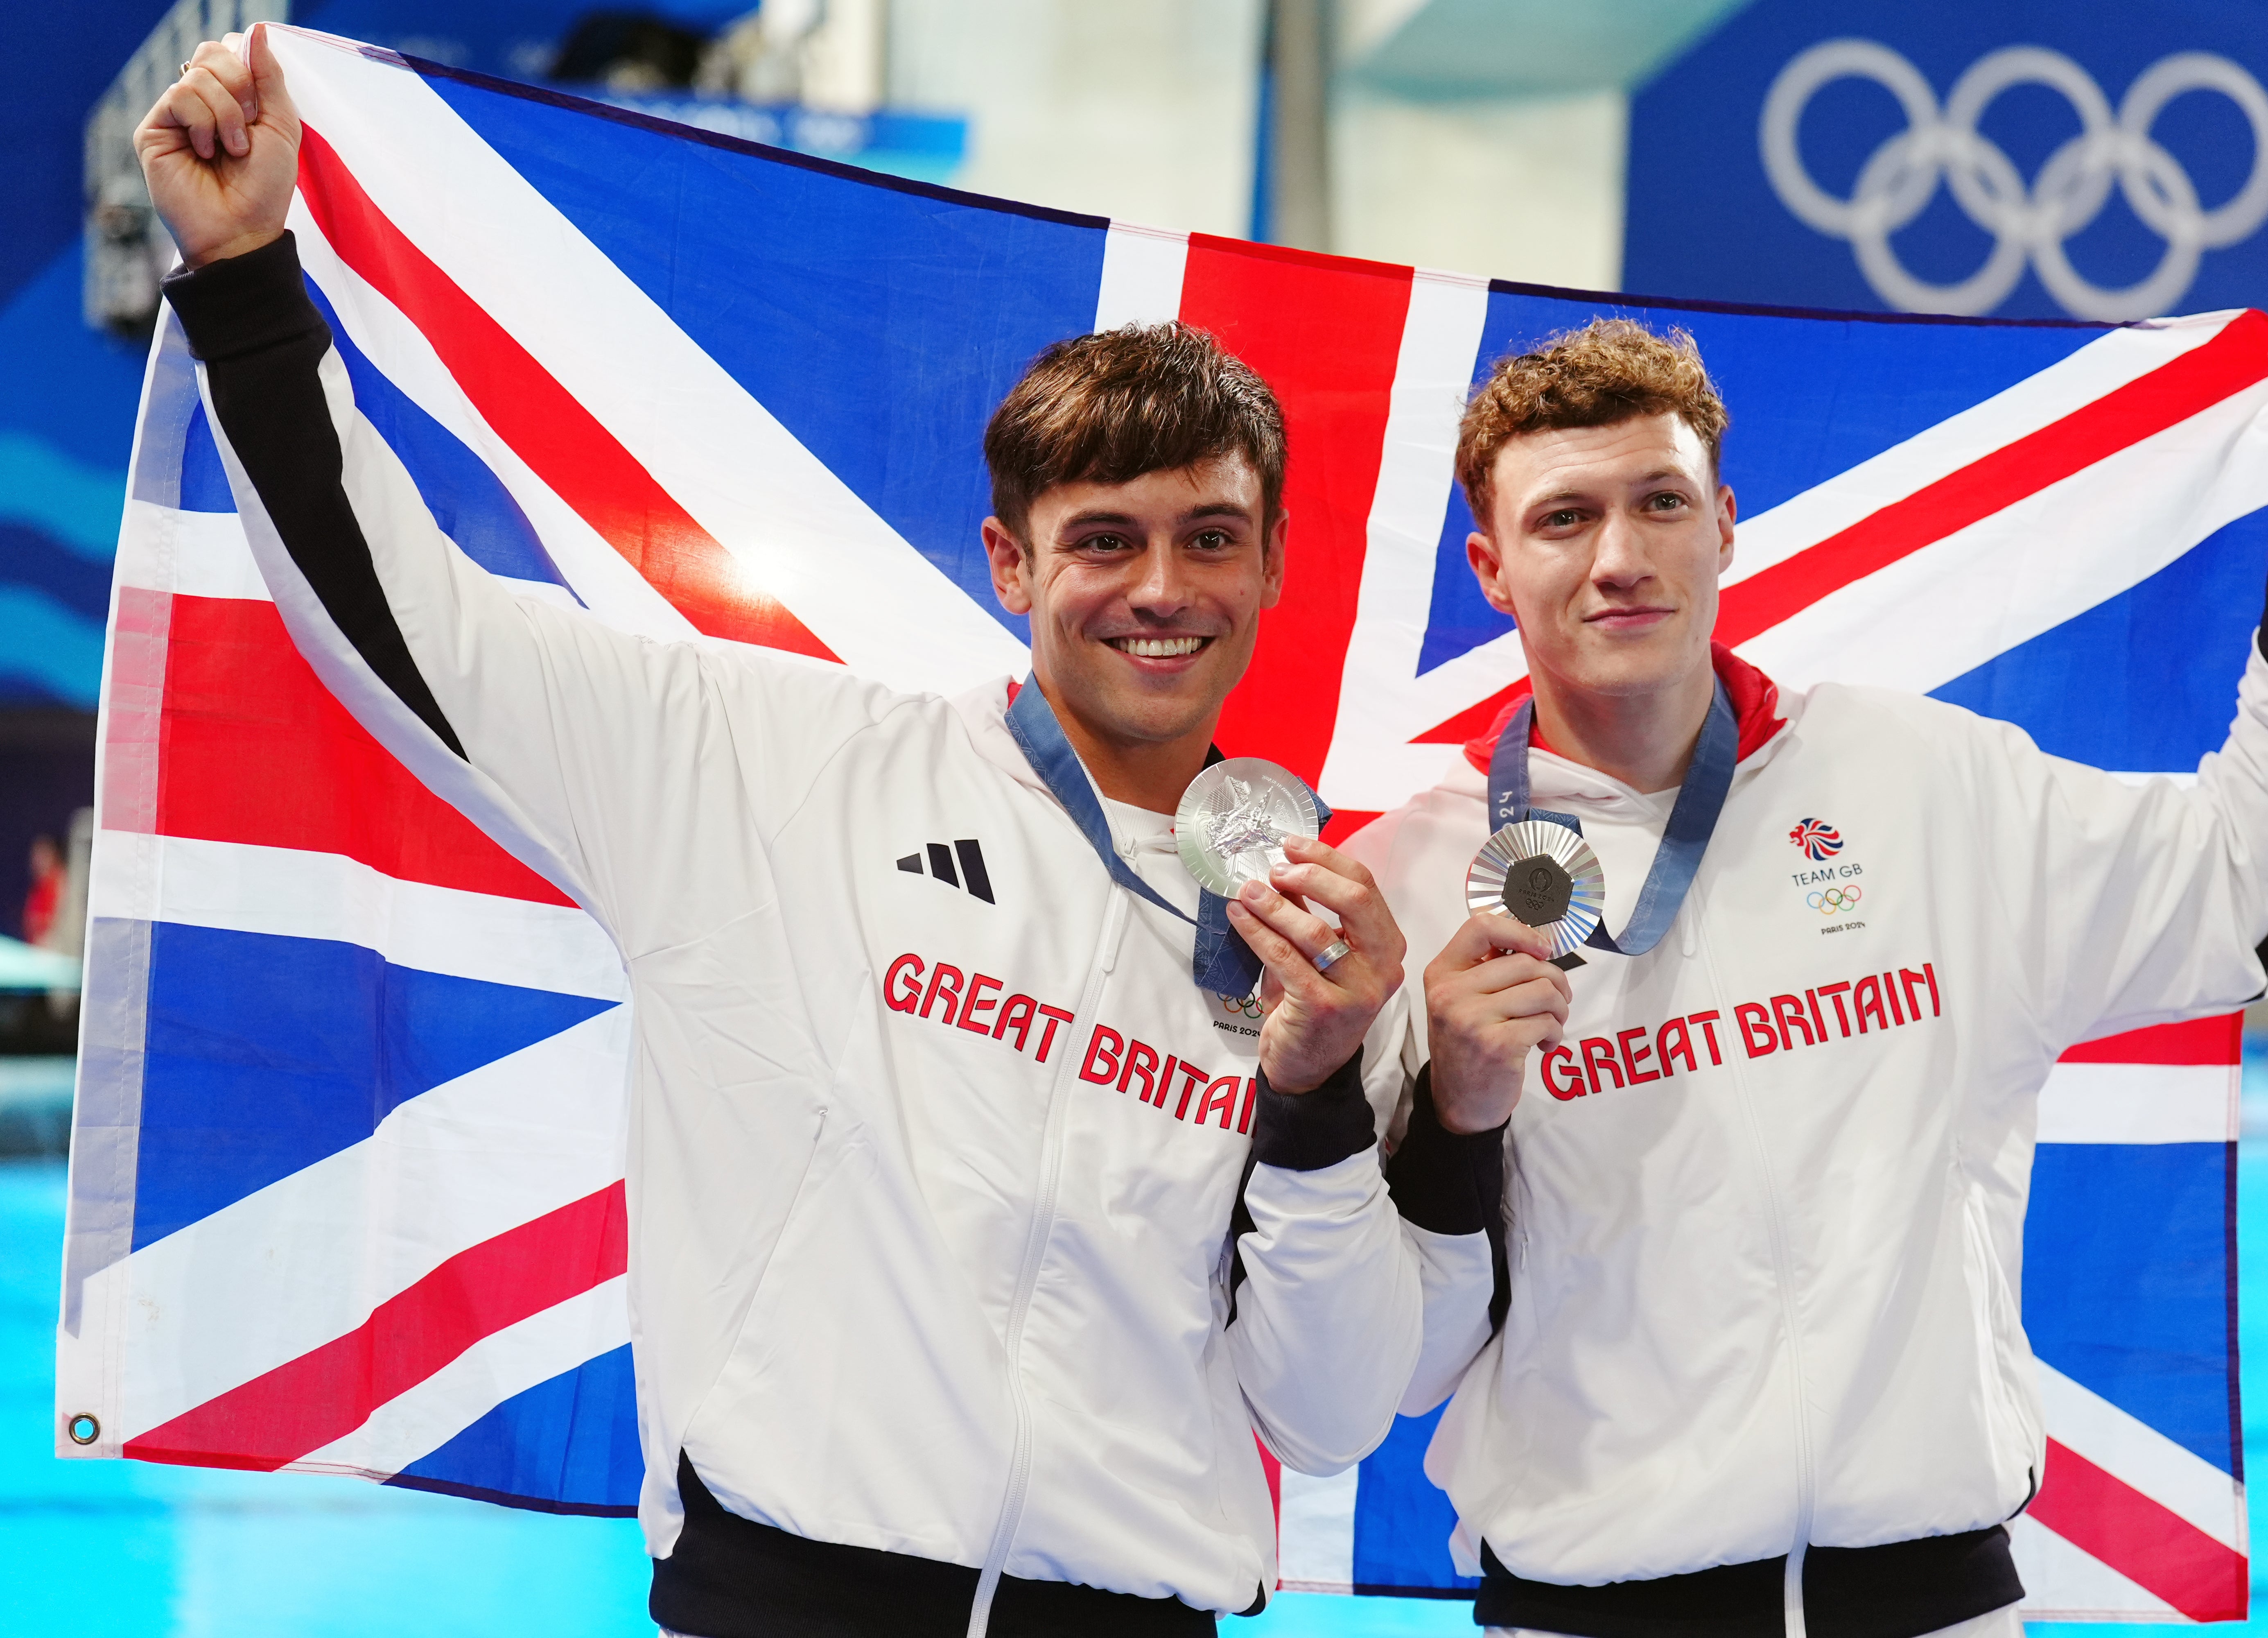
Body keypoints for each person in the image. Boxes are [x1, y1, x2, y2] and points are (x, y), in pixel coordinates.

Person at [138, 29, 1479, 1637]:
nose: (1163, 589)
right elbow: (416, 626)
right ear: (1008, 561)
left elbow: (1330, 1413)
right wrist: (247, 280)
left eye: (1211, 539)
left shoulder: (1316, 935)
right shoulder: (764, 770)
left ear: (1271, 570)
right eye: (1102, 540)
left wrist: (1319, 1095)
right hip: (782, 1596)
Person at [1352, 317, 2268, 1637]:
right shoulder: (1404, 889)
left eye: (1660, 502)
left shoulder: (1924, 788)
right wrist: (1453, 1115)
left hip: (1934, 1602)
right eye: (1564, 518)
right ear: (1492, 568)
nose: (1621, 558)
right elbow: (1391, 1361)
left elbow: (2243, 893)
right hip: (1591, 1606)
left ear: (1727, 524)